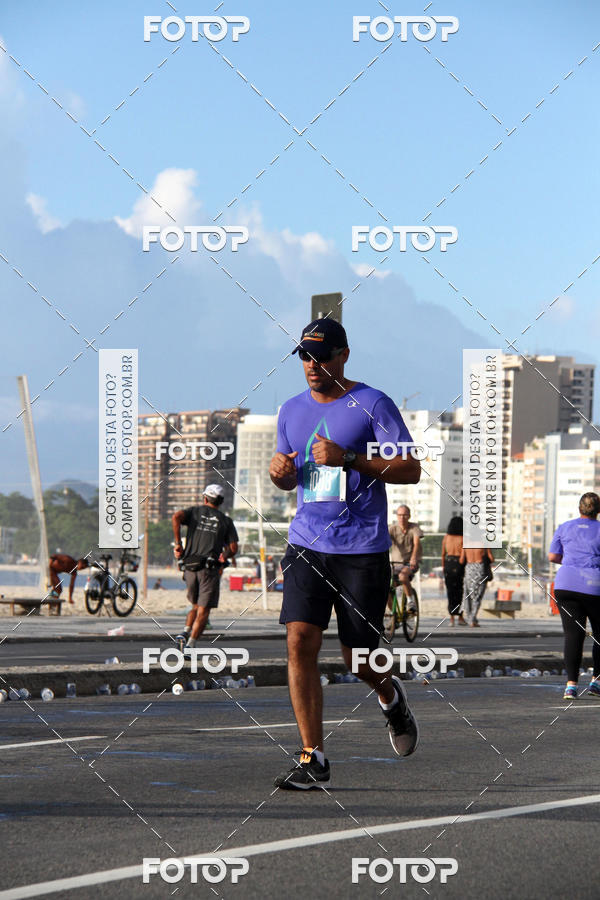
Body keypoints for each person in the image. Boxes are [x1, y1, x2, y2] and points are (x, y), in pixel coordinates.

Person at [269, 318, 421, 790]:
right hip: (307, 543)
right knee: (299, 642)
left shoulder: (373, 403)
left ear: (343, 355)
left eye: (321, 356)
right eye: (304, 357)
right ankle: (313, 756)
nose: (311, 366)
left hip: (361, 548)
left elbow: (411, 469)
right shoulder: (290, 411)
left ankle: (390, 697)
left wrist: (350, 458)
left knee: (359, 657)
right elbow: (292, 475)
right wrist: (281, 475)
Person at [548, 491, 600, 701]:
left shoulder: (565, 527)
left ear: (579, 508)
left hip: (565, 585)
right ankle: (596, 681)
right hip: (594, 586)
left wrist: (571, 562)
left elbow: (553, 556)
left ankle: (571, 686)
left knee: (573, 635)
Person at [172, 484, 238, 649]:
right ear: (221, 501)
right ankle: (191, 645)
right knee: (204, 610)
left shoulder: (194, 512)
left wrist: (178, 544)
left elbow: (176, 517)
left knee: (195, 605)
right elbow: (234, 548)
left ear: (205, 498)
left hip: (189, 567)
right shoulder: (226, 521)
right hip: (209, 569)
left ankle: (186, 632)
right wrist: (226, 555)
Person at [388, 505, 422, 610]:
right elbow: (383, 540)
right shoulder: (393, 528)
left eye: (405, 515)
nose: (402, 517)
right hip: (395, 564)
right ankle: (394, 615)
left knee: (403, 576)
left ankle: (411, 601)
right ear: (397, 516)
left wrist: (413, 558)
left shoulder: (414, 527)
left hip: (410, 563)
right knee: (386, 587)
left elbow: (416, 544)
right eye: (400, 515)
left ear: (409, 516)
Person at [459, 545, 494, 627]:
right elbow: (492, 559)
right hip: (479, 568)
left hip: (469, 568)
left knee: (468, 594)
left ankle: (471, 618)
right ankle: (472, 618)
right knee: (477, 595)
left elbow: (461, 560)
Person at [441, 516, 466, 625]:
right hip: (458, 564)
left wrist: (444, 567)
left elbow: (442, 554)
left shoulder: (446, 537)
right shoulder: (463, 538)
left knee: (450, 591)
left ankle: (451, 618)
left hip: (448, 563)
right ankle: (460, 617)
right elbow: (463, 556)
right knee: (460, 591)